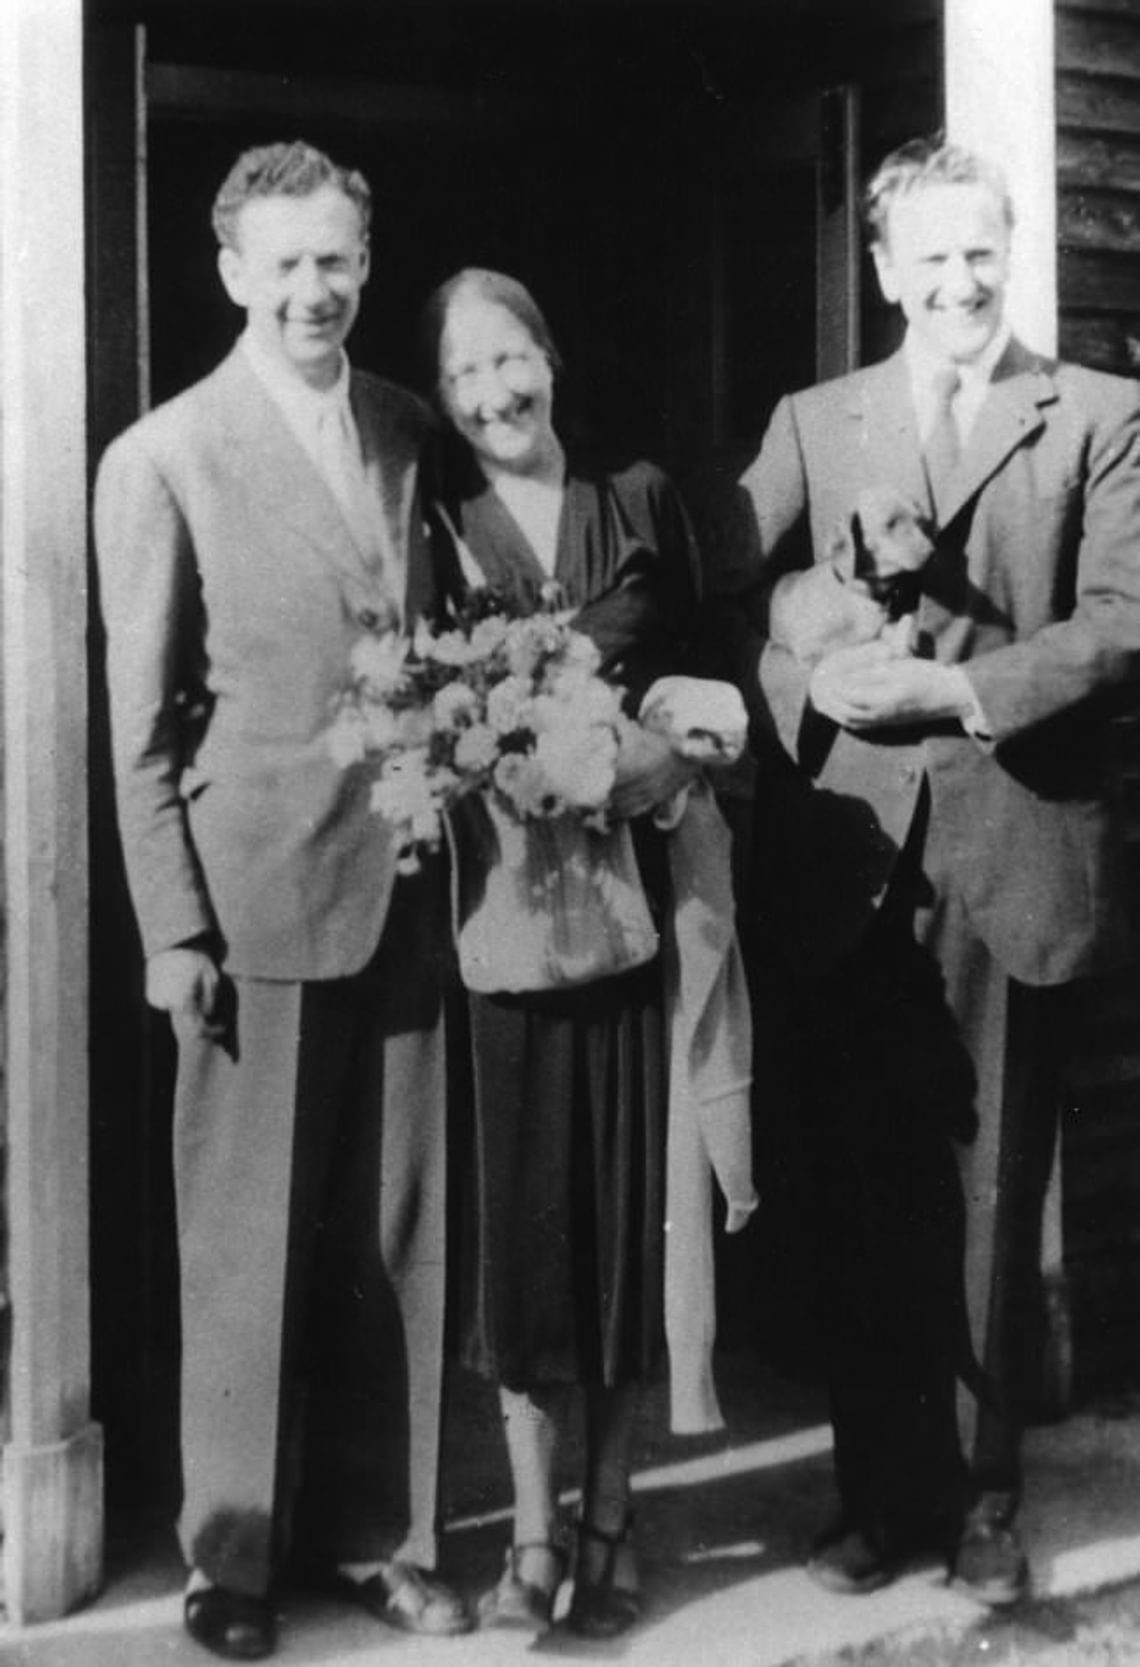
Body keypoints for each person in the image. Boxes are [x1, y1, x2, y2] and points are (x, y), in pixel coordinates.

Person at [711, 137, 1140, 1606]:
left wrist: (958, 699)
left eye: (982, 252)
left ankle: (984, 1499)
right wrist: (804, 661)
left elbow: (1119, 623)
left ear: (1004, 256)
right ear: (884, 269)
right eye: (931, 257)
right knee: (856, 1185)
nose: (959, 281)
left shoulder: (1098, 414)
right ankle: (874, 1496)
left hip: (1012, 849)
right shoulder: (815, 419)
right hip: (848, 866)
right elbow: (729, 580)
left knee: (988, 1193)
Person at [93, 141, 473, 1660]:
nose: (315, 289)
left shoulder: (403, 429)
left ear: (366, 265)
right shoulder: (165, 455)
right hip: (250, 902)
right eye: (287, 263)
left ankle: (386, 1539)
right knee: (246, 1245)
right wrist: (172, 929)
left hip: (409, 882)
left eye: (338, 260)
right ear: (234, 270)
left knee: (400, 1236)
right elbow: (138, 727)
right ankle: (231, 1565)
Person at [422, 267, 744, 1639]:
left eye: (515, 358)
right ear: (443, 400)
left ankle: (615, 1520)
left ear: (551, 355)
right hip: (502, 937)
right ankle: (534, 1539)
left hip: (634, 924)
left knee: (624, 1238)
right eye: (466, 375)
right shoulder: (438, 527)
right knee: (524, 1255)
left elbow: (721, 662)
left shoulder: (643, 498)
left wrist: (667, 754)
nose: (499, 392)